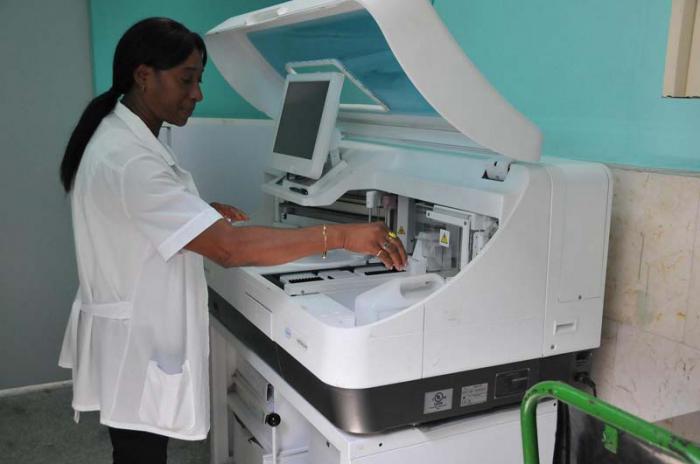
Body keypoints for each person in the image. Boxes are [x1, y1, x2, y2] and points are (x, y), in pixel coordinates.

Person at [57, 17, 406, 464]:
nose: (197, 94)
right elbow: (229, 249)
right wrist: (339, 234)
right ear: (144, 76)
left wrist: (195, 213)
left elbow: (137, 216)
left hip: (130, 334)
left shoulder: (119, 136)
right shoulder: (129, 159)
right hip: (136, 343)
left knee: (136, 449)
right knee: (139, 453)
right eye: (187, 79)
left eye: (199, 80)